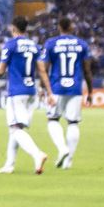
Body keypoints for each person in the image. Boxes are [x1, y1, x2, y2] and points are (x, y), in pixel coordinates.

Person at [0, 16, 48, 175]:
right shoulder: (34, 46)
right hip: (30, 92)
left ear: (13, 28)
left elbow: (1, 70)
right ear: (26, 29)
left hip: (16, 91)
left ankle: (37, 154)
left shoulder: (10, 45)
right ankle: (9, 164)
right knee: (16, 128)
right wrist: (45, 90)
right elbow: (42, 70)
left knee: (15, 129)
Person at [38, 16, 93, 170]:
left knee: (53, 120)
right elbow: (87, 70)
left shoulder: (51, 43)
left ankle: (62, 148)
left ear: (59, 28)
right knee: (73, 123)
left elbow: (45, 68)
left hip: (56, 88)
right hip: (75, 88)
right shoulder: (82, 44)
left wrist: (42, 88)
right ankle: (68, 161)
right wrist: (90, 91)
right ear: (71, 27)